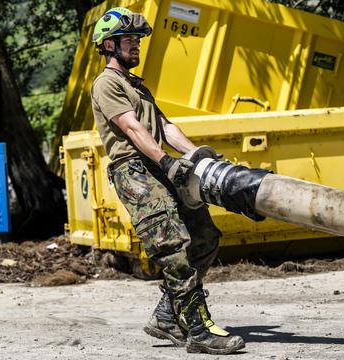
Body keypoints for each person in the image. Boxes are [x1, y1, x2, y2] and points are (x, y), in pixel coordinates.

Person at [89, 7, 244, 355]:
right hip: (135, 172)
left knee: (204, 237)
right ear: (110, 45)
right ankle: (199, 331)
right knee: (173, 247)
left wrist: (198, 157)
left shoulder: (137, 87)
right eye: (129, 40)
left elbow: (165, 127)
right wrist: (167, 163)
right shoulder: (107, 84)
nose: (136, 46)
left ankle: (166, 317)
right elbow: (132, 128)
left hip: (159, 168)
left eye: (137, 41)